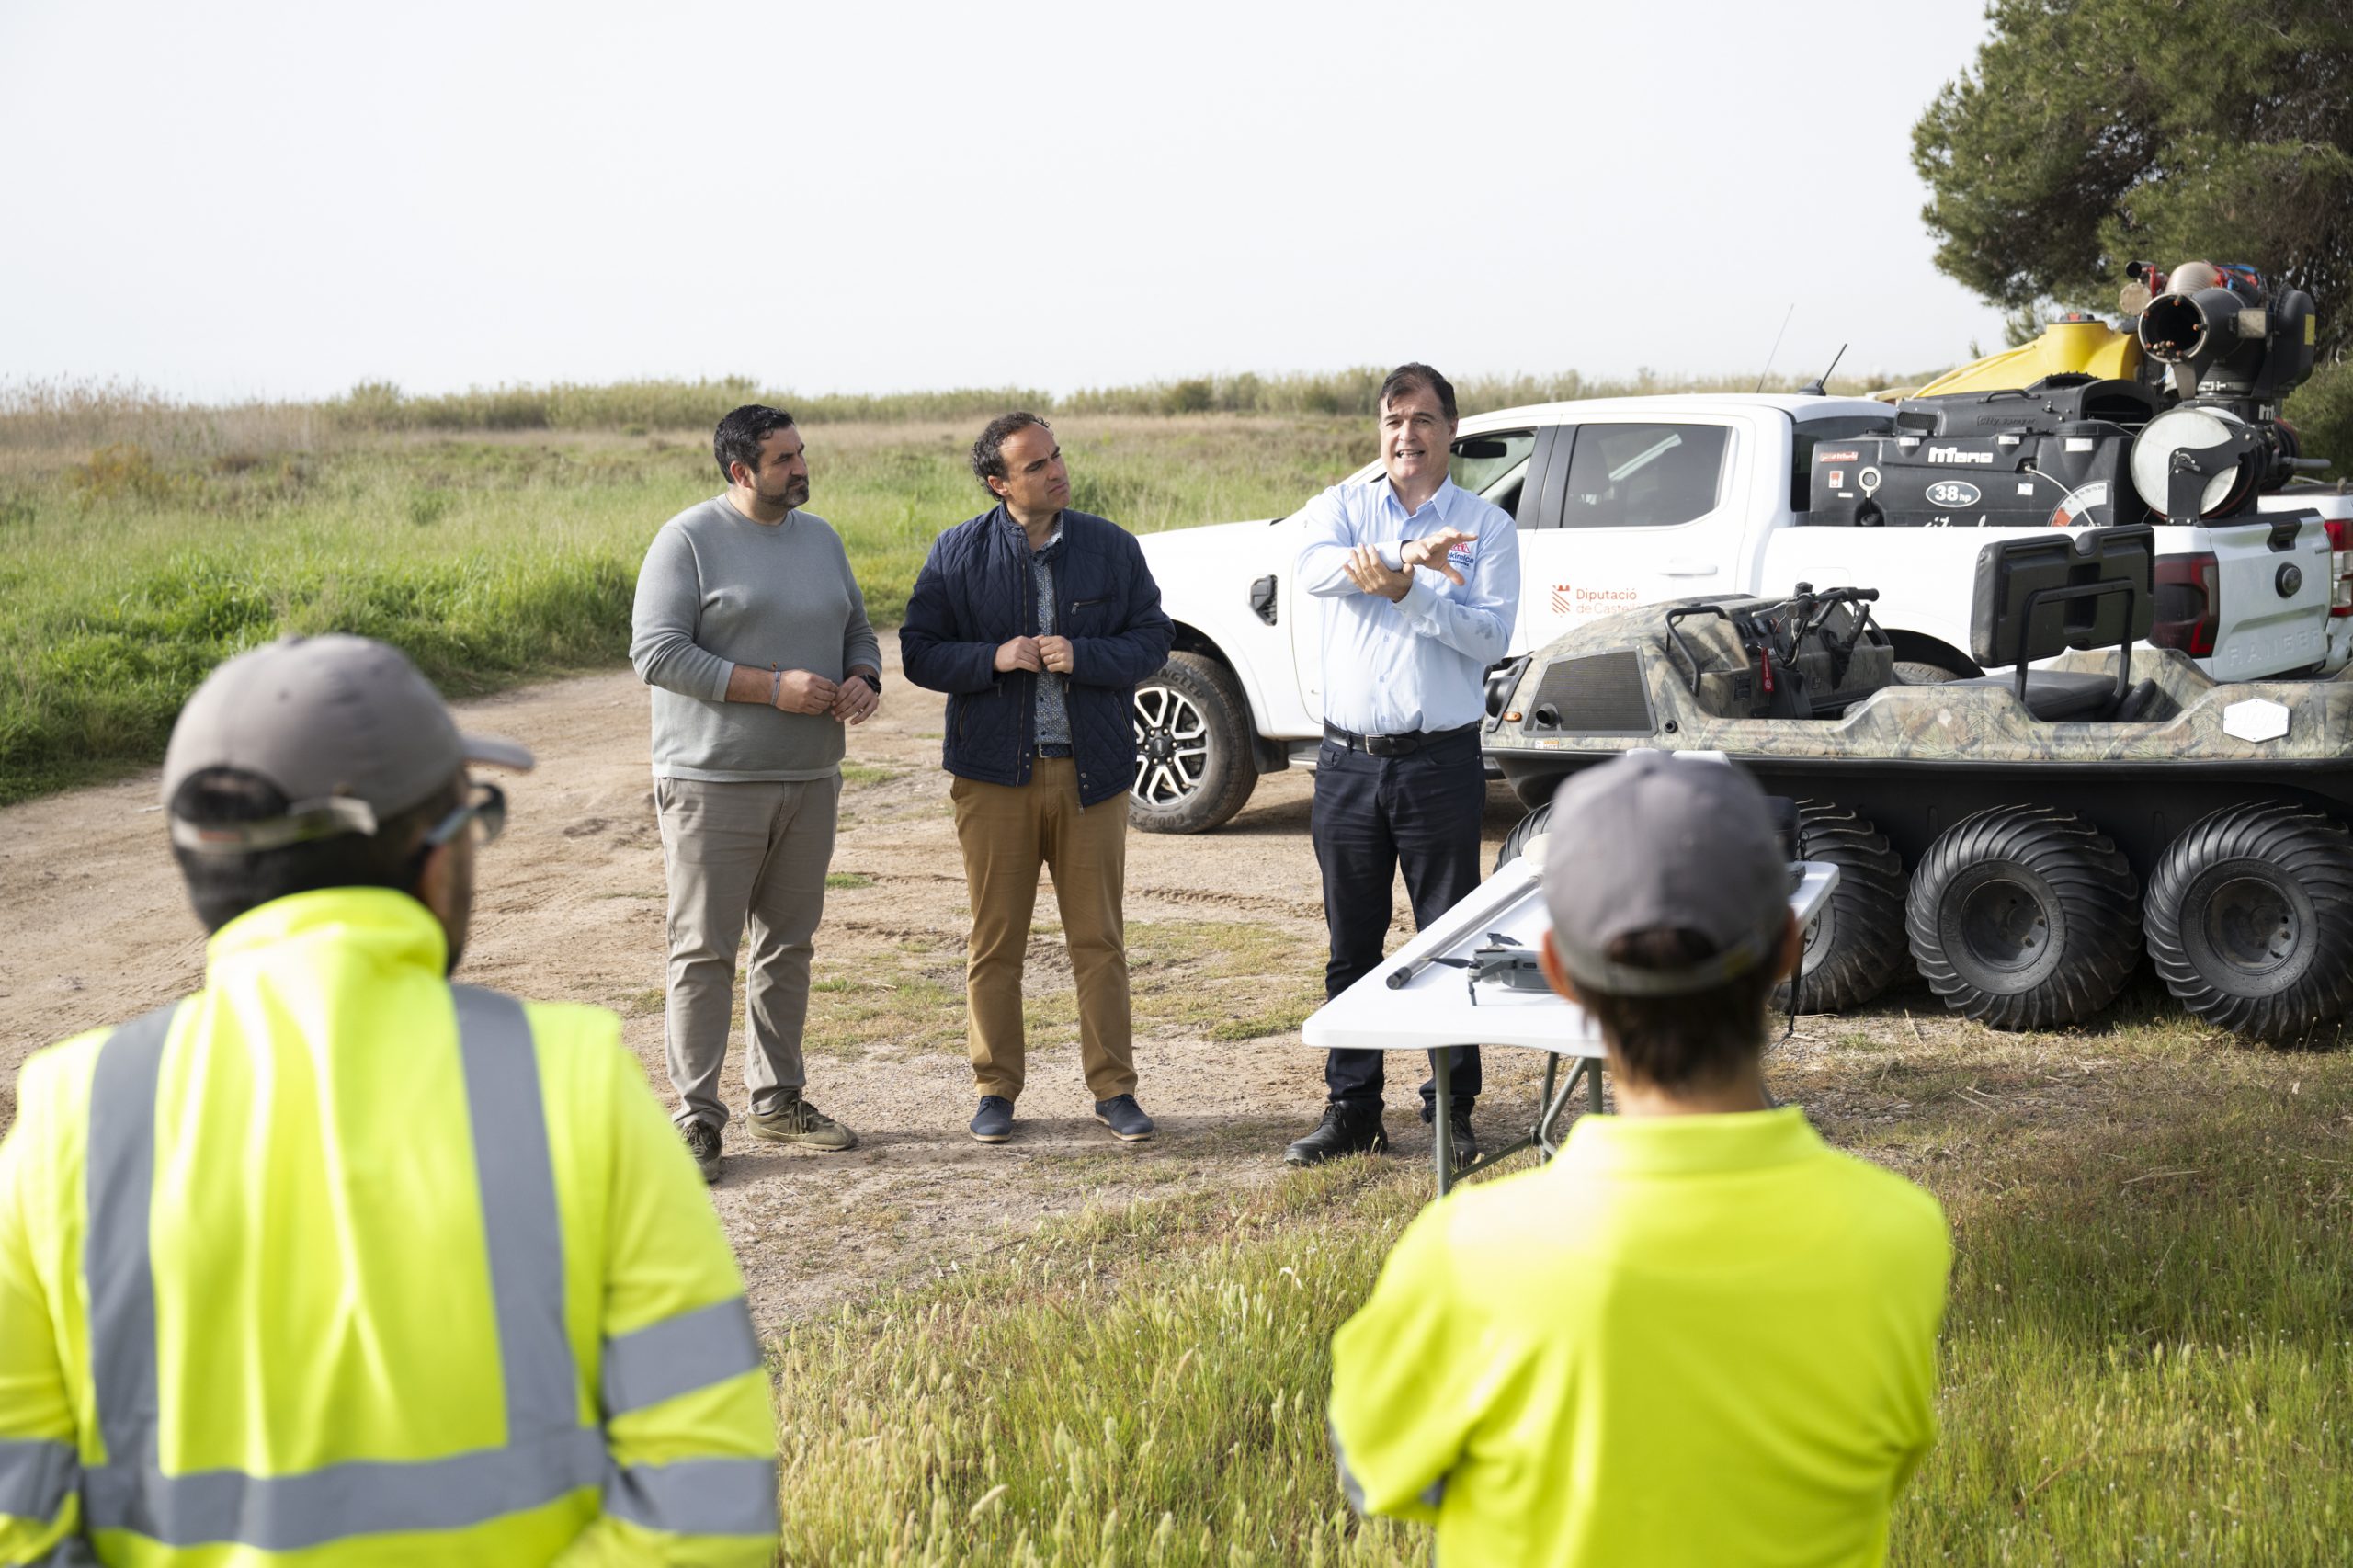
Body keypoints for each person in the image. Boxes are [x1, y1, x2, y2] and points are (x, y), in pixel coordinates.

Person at [0, 634, 779, 1566]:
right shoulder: (573, 1083)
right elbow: (710, 1501)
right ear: (435, 857)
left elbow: (20, 1521)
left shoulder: (67, 1116)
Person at [1327, 752, 1952, 1565]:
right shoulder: (1900, 1234)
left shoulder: (1469, 1252)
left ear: (1559, 971)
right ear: (1789, 949)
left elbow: (1373, 1472)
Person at [900, 413, 1174, 1145]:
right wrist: (995, 657)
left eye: (1056, 457)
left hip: (1094, 775)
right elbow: (919, 652)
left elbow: (1153, 639)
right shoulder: (957, 551)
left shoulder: (1112, 546)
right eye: (1035, 465)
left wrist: (1083, 655)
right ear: (999, 483)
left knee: (1100, 940)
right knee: (996, 942)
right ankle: (995, 1090)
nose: (1056, 472)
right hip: (994, 780)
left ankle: (1115, 1089)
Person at [631, 403, 881, 1181]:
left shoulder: (823, 538)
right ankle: (697, 1118)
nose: (802, 468)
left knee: (788, 945)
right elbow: (656, 653)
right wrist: (772, 689)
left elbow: (859, 630)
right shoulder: (687, 541)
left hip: (811, 779)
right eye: (784, 460)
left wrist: (864, 678)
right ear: (741, 471)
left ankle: (778, 1101)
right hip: (712, 782)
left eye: (801, 453)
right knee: (704, 951)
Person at [1284, 363, 1521, 1168]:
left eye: (1421, 419)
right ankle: (1353, 1108)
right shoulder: (1344, 506)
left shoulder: (1488, 527)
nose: (1405, 435)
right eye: (1392, 419)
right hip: (1348, 764)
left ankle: (1451, 1112)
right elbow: (1313, 570)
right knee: (1352, 945)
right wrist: (1405, 552)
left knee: (1448, 941)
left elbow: (1489, 638)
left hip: (1437, 763)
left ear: (1451, 430)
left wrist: (1405, 589)